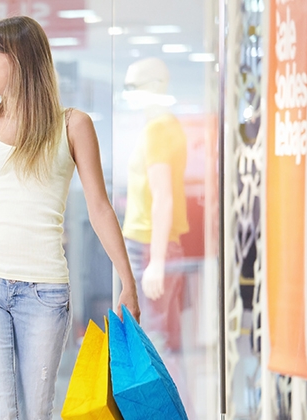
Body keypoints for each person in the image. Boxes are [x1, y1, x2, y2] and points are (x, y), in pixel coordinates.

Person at [0, 16, 141, 419]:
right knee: (0, 411)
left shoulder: (73, 125)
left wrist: (127, 282)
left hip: (45, 292)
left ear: (19, 58)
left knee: (37, 412)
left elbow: (99, 208)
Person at [121, 57, 190, 407]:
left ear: (156, 85)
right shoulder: (158, 127)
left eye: (133, 87)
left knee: (157, 340)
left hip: (150, 245)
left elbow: (163, 197)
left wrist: (158, 260)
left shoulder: (160, 129)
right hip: (146, 244)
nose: (128, 95)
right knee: (157, 338)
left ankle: (167, 411)